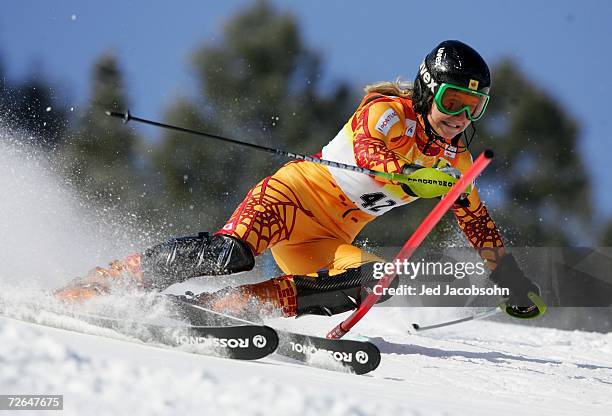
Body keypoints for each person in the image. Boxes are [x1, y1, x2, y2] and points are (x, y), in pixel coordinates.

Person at [55, 40, 545, 320]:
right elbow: (376, 155)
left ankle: (231, 307)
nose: (461, 117)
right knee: (232, 253)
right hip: (290, 198)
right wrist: (414, 176)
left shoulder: (456, 162)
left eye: (474, 108)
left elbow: (478, 224)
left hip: (327, 240)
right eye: (453, 101)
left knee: (379, 279)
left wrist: (512, 281)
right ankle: (105, 281)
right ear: (428, 89)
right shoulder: (386, 111)